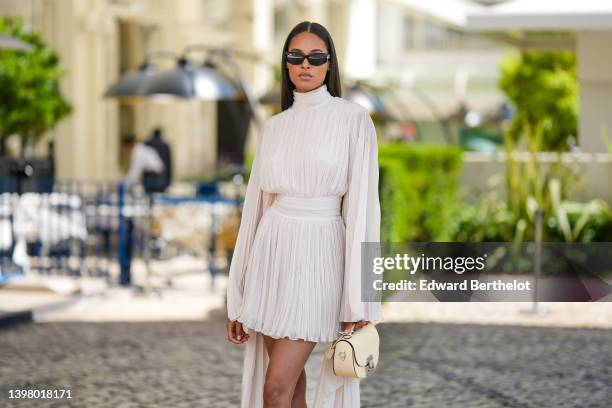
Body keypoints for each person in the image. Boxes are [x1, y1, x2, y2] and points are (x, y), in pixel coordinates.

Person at [225, 21, 384, 408]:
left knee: (275, 386)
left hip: (319, 258)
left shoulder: (354, 120)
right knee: (289, 387)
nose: (305, 65)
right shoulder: (275, 127)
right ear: (286, 64)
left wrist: (362, 297)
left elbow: (364, 209)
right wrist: (237, 293)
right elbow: (255, 209)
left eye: (316, 57)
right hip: (271, 256)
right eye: (296, 56)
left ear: (330, 64)